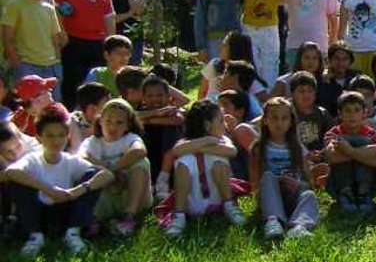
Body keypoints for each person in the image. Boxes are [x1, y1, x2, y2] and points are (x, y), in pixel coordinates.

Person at [5, 104, 114, 257]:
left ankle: (72, 233)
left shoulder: (71, 160)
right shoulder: (33, 159)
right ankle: (34, 237)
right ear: (39, 137)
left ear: (67, 136)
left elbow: (107, 174)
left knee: (92, 175)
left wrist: (75, 192)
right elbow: (11, 172)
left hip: (63, 212)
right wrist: (49, 189)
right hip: (38, 213)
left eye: (61, 135)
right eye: (50, 136)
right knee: (19, 182)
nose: (56, 141)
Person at [161, 100, 247, 237]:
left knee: (218, 161)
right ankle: (179, 215)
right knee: (184, 162)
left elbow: (232, 151)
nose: (225, 125)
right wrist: (206, 141)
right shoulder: (186, 142)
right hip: (192, 200)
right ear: (207, 125)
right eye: (221, 121)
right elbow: (177, 150)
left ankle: (229, 205)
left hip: (216, 197)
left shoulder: (222, 139)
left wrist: (197, 148)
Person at [250, 97, 320, 239]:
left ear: (290, 122)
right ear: (265, 120)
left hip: (292, 194)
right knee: (268, 177)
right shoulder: (259, 148)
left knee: (309, 195)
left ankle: (298, 225)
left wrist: (310, 178)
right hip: (270, 195)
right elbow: (256, 182)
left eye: (284, 118)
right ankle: (273, 221)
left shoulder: (297, 147)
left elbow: (307, 179)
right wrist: (278, 180)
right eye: (274, 118)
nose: (279, 123)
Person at [79, 98, 151, 236]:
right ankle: (97, 220)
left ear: (128, 125)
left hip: (128, 193)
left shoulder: (130, 138)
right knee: (87, 171)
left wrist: (112, 170)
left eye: (119, 122)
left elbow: (139, 151)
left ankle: (129, 216)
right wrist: (107, 175)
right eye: (108, 121)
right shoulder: (92, 142)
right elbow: (81, 157)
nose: (113, 126)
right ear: (100, 121)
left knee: (141, 163)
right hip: (108, 193)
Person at [3, 0, 65, 99]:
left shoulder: (49, 9)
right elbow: (7, 38)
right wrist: (18, 65)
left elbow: (55, 40)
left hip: (51, 67)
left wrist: (58, 64)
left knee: (52, 105)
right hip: (27, 65)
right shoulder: (16, 4)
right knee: (29, 105)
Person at [324, 90, 376, 212]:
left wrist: (350, 151)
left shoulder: (371, 133)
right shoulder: (334, 133)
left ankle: (364, 193)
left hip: (369, 183)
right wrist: (360, 154)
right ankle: (345, 194)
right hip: (339, 183)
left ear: (364, 113)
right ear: (340, 114)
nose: (352, 115)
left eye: (357, 110)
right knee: (341, 143)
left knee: (364, 141)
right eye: (347, 111)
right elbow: (331, 155)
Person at [238, 0, 287, 86]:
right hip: (248, 27)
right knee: (251, 64)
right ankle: (254, 95)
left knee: (270, 65)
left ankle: (269, 95)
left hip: (269, 28)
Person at [108, 0, 150, 64]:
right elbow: (110, 19)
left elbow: (138, 12)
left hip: (135, 38)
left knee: (133, 69)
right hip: (116, 37)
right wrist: (129, 14)